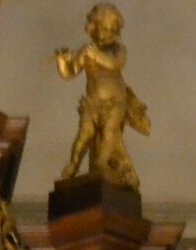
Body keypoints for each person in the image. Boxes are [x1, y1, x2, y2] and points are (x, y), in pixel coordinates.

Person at [53, 4, 148, 187]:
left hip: (115, 103)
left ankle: (101, 165)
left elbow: (114, 64)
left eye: (112, 29)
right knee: (84, 136)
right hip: (92, 103)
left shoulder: (118, 49)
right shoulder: (86, 50)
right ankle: (73, 165)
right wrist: (62, 62)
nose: (107, 32)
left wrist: (95, 54)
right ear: (93, 28)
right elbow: (70, 72)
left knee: (109, 134)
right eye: (103, 28)